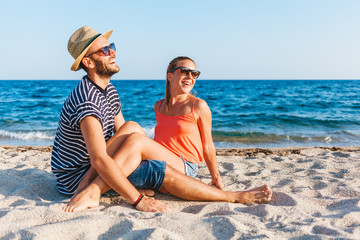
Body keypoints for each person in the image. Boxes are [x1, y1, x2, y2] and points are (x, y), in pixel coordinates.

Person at [52, 25, 272, 213]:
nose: (113, 53)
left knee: (132, 128)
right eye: (104, 50)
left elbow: (123, 134)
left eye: (112, 46)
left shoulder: (108, 90)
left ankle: (99, 189)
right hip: (78, 178)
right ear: (89, 63)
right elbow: (99, 159)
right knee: (158, 169)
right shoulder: (87, 100)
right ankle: (233, 197)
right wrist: (137, 200)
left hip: (97, 168)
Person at [153, 56, 223, 189]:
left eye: (194, 74)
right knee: (131, 132)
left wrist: (216, 177)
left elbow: (207, 145)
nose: (190, 77)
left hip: (184, 167)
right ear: (170, 76)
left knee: (137, 141)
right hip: (158, 164)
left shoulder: (198, 106)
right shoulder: (159, 106)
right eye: (185, 72)